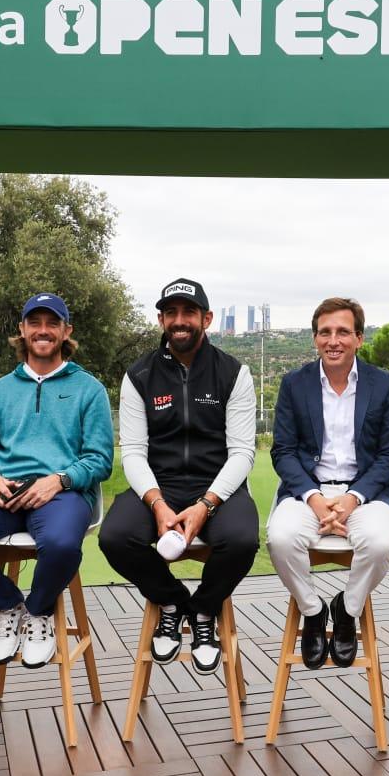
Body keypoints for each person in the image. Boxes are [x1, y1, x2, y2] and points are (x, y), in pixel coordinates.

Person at [0, 294, 113, 667]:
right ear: (22, 330)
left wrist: (59, 480)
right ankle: (9, 605)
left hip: (64, 491)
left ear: (66, 331)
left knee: (62, 545)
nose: (42, 331)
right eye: (35, 323)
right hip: (6, 491)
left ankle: (39, 612)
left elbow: (99, 460)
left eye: (52, 323)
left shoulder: (89, 389)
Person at [98, 277, 258, 675]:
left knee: (242, 540)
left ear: (206, 318)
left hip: (218, 486)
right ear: (161, 320)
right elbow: (133, 451)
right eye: (172, 313)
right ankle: (172, 603)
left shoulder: (234, 373)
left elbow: (242, 453)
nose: (180, 320)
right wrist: (156, 503)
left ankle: (203, 612)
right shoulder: (139, 375)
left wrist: (206, 505)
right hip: (159, 484)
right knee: (115, 538)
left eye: (189, 312)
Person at [266, 297, 389, 669]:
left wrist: (353, 499)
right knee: (280, 538)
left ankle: (347, 608)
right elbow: (283, 451)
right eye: (325, 332)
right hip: (307, 492)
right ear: (314, 339)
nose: (333, 340)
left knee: (379, 542)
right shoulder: (295, 384)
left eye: (343, 332)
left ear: (359, 338)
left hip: (365, 493)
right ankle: (313, 611)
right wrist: (313, 498)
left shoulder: (384, 384)